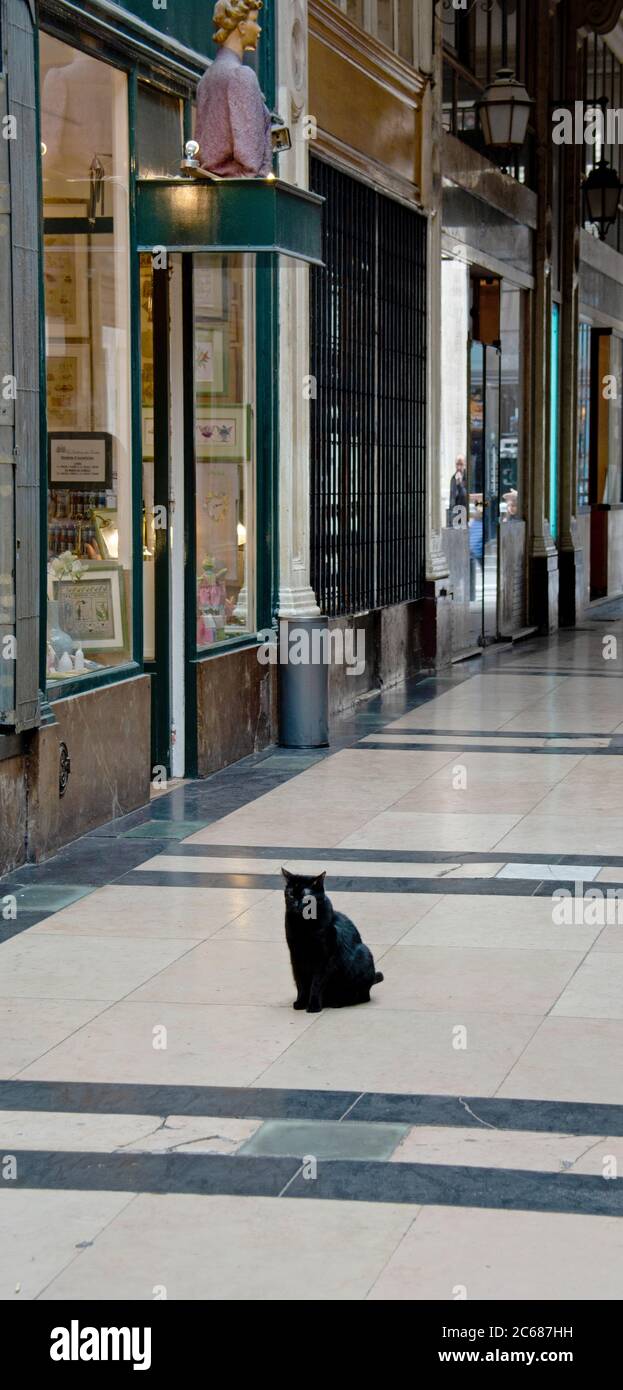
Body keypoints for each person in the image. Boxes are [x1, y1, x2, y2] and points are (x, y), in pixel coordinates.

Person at [195, 2, 273, 179]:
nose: (259, 29)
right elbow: (250, 159)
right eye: (255, 21)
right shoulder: (241, 75)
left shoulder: (207, 78)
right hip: (242, 194)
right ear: (242, 27)